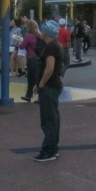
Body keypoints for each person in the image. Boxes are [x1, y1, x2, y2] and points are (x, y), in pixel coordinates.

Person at [34, 20, 64, 162]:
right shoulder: (55, 45)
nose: (40, 32)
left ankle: (48, 151)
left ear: (46, 32)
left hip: (49, 86)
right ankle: (53, 148)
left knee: (48, 120)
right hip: (54, 85)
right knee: (53, 118)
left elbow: (49, 68)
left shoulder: (51, 47)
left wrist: (41, 84)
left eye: (42, 30)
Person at [21, 20, 42, 102]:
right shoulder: (39, 35)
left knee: (31, 78)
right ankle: (39, 96)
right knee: (37, 77)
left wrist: (19, 41)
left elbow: (22, 46)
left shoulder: (28, 36)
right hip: (38, 57)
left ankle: (29, 95)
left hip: (31, 58)